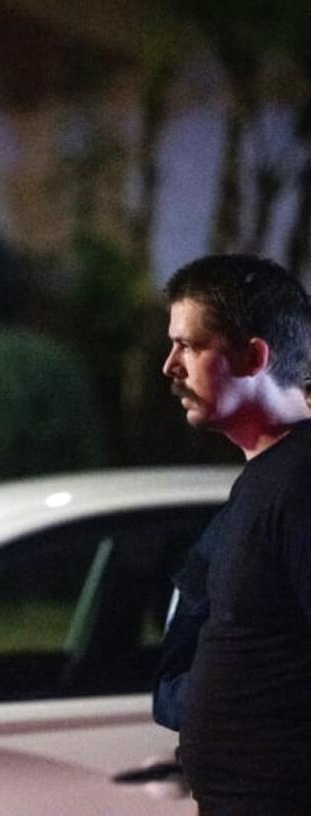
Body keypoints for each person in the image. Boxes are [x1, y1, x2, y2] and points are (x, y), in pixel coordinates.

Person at [155, 253, 311, 813]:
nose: (170, 366)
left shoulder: (301, 481)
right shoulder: (267, 478)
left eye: (191, 346)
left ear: (253, 357)